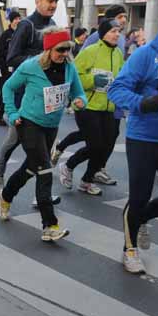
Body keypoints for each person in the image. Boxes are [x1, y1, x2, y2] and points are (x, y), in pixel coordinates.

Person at [107, 0, 158, 274]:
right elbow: (117, 89)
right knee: (138, 196)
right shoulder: (146, 54)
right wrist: (141, 103)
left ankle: (141, 220)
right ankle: (129, 249)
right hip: (144, 138)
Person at [0, 28, 87, 241]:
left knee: (31, 168)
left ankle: (6, 196)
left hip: (50, 126)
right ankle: (50, 225)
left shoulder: (69, 68)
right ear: (48, 49)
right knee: (45, 170)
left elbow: (78, 92)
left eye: (68, 49)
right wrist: (12, 112)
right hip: (28, 124)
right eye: (60, 49)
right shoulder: (30, 66)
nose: (65, 53)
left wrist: (81, 101)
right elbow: (8, 87)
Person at [0, 0, 59, 192]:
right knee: (16, 137)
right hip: (24, 94)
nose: (52, 5)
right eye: (49, 0)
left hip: (46, 95)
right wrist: (40, 60)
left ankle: (41, 193)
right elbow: (12, 58)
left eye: (55, 1)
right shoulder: (26, 26)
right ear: (38, 2)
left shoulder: (54, 24)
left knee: (43, 147)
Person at [57, 20, 124, 196]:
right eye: (113, 31)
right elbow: (72, 75)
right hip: (87, 105)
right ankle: (68, 165)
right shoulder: (90, 51)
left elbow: (123, 77)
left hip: (108, 107)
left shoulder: (117, 54)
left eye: (119, 31)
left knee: (105, 147)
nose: (117, 34)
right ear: (103, 33)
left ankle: (87, 181)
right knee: (95, 145)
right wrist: (92, 81)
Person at [0, 11, 22, 126]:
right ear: (11, 20)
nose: (18, 21)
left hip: (17, 69)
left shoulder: (22, 34)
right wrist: (2, 67)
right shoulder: (6, 34)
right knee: (5, 93)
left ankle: (14, 115)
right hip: (5, 69)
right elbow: (0, 52)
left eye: (19, 18)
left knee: (16, 93)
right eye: (16, 19)